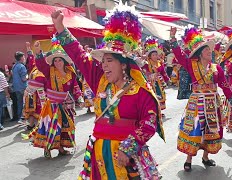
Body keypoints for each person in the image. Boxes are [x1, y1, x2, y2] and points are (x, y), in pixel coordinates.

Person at [51, 3, 165, 179]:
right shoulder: (101, 82)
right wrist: (61, 29)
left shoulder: (140, 91)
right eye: (103, 61)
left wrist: (127, 148)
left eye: (109, 60)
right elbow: (80, 56)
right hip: (99, 155)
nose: (103, 65)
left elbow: (149, 122)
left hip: (126, 158)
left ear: (123, 64)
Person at [170, 26, 232, 172]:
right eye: (207, 50)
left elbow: (224, 84)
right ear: (201, 53)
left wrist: (231, 97)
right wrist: (173, 39)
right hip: (197, 103)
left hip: (212, 103)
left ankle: (206, 157)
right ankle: (188, 159)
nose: (210, 52)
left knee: (212, 130)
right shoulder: (191, 64)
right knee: (194, 129)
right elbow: (180, 55)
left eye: (210, 50)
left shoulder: (216, 68)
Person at [27, 38, 84, 158]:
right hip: (52, 105)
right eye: (56, 60)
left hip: (66, 105)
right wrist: (38, 53)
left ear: (64, 61)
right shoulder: (49, 71)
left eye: (60, 60)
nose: (58, 63)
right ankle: (47, 148)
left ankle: (61, 148)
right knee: (52, 127)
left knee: (65, 127)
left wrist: (80, 99)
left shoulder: (70, 73)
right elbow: (41, 65)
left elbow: (75, 87)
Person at [23, 42, 47, 130]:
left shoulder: (45, 69)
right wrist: (28, 48)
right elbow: (31, 59)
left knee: (41, 109)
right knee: (31, 110)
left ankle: (41, 126)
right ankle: (31, 125)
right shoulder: (34, 67)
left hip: (42, 94)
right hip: (32, 93)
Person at [142, 36, 170, 112]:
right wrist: (151, 75)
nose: (155, 56)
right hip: (152, 83)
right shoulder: (146, 64)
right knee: (153, 96)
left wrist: (167, 79)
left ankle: (160, 111)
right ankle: (155, 110)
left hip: (160, 83)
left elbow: (163, 72)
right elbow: (144, 71)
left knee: (161, 95)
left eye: (156, 55)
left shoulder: (159, 63)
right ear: (150, 56)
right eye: (153, 55)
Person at [12, 51, 28, 123]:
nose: (24, 58)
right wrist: (28, 76)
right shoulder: (22, 66)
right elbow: (24, 79)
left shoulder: (14, 66)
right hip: (23, 87)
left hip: (16, 87)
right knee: (25, 103)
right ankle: (23, 118)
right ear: (21, 58)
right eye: (24, 57)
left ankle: (20, 118)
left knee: (19, 103)